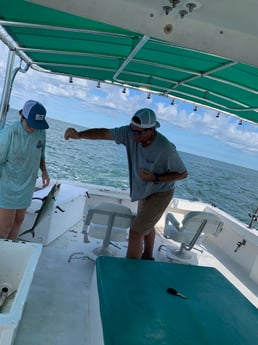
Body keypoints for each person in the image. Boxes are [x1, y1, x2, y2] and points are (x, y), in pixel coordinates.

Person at [64, 108, 187, 259]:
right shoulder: (130, 133)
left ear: (151, 131)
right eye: (132, 130)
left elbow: (182, 174)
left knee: (136, 232)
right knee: (146, 225)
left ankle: (130, 273)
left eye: (138, 132)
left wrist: (155, 178)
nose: (133, 135)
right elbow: (104, 133)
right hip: (144, 190)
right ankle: (147, 257)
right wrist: (79, 135)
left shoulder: (165, 148)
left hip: (161, 193)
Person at [0, 100, 50, 240]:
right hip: (6, 189)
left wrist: (44, 171)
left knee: (18, 221)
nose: (34, 129)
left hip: (27, 186)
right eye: (31, 124)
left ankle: (10, 253)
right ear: (23, 117)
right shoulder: (9, 134)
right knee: (4, 227)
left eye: (37, 125)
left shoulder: (40, 132)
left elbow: (41, 153)